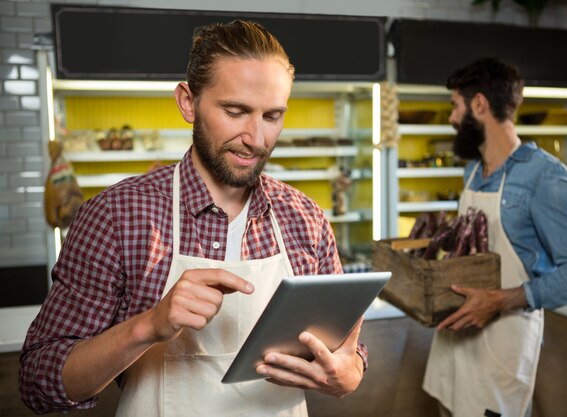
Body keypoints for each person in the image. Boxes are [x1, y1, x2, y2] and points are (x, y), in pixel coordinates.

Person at [20, 20, 367, 416]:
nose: (256, 138)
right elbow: (39, 382)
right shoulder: (116, 216)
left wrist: (348, 375)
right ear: (188, 102)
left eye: (272, 116)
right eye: (235, 111)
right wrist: (148, 327)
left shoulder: (306, 219)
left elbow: (349, 355)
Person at [422, 57, 567, 417]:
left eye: (455, 106)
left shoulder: (545, 177)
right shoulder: (472, 171)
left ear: (479, 105)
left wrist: (501, 300)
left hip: (500, 352)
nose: (452, 119)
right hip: (453, 347)